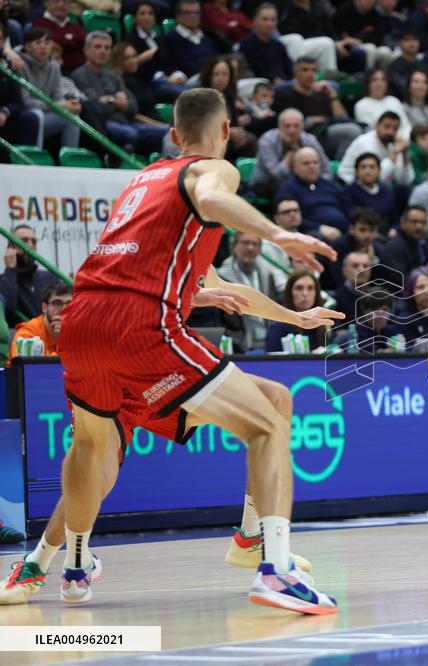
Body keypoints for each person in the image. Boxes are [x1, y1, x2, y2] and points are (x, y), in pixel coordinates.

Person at [21, 88, 339, 613]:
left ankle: (66, 563)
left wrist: (293, 317)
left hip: (83, 324)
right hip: (141, 333)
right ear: (225, 132)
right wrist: (277, 233)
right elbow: (213, 197)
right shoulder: (213, 171)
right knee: (268, 427)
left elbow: (213, 284)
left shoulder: (145, 183)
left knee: (92, 451)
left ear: (172, 134)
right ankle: (276, 572)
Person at [71, 32, 168, 154]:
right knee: (130, 134)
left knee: (164, 134)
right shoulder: (79, 75)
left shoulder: (113, 76)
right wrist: (116, 101)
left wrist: (109, 100)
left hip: (126, 122)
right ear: (86, 50)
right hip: (104, 126)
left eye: (107, 47)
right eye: (98, 47)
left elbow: (133, 106)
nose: (103, 51)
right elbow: (95, 108)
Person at [271, 56, 361, 161]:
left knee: (362, 130)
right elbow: (276, 121)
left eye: (313, 70)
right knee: (351, 131)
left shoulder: (322, 93)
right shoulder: (282, 94)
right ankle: (342, 168)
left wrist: (333, 97)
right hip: (302, 135)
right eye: (305, 70)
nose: (310, 74)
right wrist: (308, 121)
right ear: (295, 73)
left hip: (325, 133)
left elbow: (342, 118)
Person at [20, 27, 81, 148]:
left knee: (72, 117)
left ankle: (69, 157)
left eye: (47, 43)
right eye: (38, 43)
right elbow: (25, 102)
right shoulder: (20, 65)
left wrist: (69, 105)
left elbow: (57, 97)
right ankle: (35, 156)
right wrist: (56, 105)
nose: (43, 47)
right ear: (27, 47)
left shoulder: (54, 67)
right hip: (25, 117)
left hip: (45, 114)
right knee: (37, 115)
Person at [251, 108, 330, 199]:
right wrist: (290, 154)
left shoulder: (310, 140)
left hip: (301, 182)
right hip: (265, 183)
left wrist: (319, 181)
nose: (292, 131)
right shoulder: (267, 141)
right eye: (287, 126)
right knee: (284, 186)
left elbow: (326, 169)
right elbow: (276, 174)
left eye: (296, 126)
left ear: (302, 126)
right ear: (279, 127)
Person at [274, 146, 348, 240]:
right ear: (295, 168)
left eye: (315, 162)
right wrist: (319, 228)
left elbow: (348, 207)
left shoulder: (331, 185)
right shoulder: (288, 189)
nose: (312, 167)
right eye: (306, 163)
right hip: (311, 234)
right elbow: (288, 218)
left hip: (343, 232)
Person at [1, 225, 60, 325]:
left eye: (34, 242)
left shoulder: (49, 278)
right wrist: (10, 269)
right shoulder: (4, 282)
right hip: (20, 333)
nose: (31, 245)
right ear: (10, 248)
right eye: (24, 241)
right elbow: (8, 308)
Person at [337, 111, 413, 186]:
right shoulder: (365, 142)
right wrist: (394, 153)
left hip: (371, 187)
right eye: (386, 126)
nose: (390, 132)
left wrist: (404, 155)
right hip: (348, 184)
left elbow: (405, 181)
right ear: (377, 126)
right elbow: (374, 177)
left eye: (395, 129)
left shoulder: (392, 145)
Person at [7, 282, 72, 365]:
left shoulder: (79, 330)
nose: (63, 309)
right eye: (57, 304)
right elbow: (29, 367)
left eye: (69, 304)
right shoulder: (28, 331)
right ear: (44, 308)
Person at [264, 270, 329, 352]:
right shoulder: (277, 327)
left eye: (310, 288)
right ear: (289, 293)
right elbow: (272, 358)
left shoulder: (323, 323)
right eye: (299, 288)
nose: (305, 293)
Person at [158, 0, 221, 82]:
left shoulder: (208, 36)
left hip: (216, 77)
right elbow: (169, 68)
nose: (194, 16)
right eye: (189, 13)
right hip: (191, 82)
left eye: (197, 13)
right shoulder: (169, 40)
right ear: (178, 16)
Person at [239, 4, 293, 83]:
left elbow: (289, 68)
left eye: (273, 20)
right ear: (255, 20)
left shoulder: (279, 45)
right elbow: (258, 70)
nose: (269, 24)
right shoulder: (248, 44)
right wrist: (276, 81)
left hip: (287, 83)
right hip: (263, 84)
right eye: (265, 19)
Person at [32, 0, 88, 74]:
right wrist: (74, 41)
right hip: (52, 73)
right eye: (56, 1)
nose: (61, 5)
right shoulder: (39, 24)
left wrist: (64, 41)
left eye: (65, 1)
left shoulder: (75, 26)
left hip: (81, 71)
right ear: (47, 4)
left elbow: (87, 42)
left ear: (70, 5)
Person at [354, 67, 411, 139]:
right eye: (374, 80)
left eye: (383, 80)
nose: (379, 83)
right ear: (368, 83)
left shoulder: (394, 101)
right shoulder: (361, 105)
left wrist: (405, 139)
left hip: (403, 140)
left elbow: (406, 126)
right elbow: (370, 132)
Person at [380, 205, 428, 278]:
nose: (419, 226)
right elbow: (399, 279)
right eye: (414, 222)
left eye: (423, 222)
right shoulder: (394, 247)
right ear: (403, 224)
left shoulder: (423, 244)